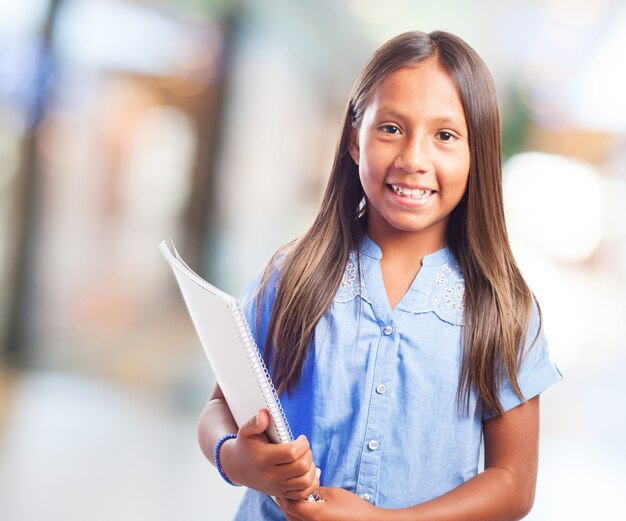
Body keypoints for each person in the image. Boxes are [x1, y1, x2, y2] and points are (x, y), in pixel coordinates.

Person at [197, 30, 562, 520]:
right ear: (354, 139)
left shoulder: (502, 309)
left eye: (446, 136)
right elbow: (218, 408)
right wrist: (237, 458)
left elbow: (514, 484)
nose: (413, 159)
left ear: (479, 155)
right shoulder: (292, 278)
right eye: (391, 128)